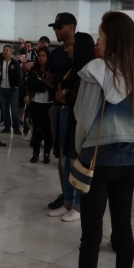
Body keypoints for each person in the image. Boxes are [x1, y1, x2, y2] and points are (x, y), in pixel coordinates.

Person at [55, 11, 134, 268]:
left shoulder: (94, 71)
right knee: (123, 228)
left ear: (110, 36)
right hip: (128, 160)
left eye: (100, 34)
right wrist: (131, 139)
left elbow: (83, 118)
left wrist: (80, 149)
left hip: (97, 159)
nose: (98, 39)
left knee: (92, 233)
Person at [48, 32, 96, 222]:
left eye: (72, 45)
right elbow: (58, 92)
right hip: (64, 114)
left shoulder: (88, 70)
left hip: (76, 118)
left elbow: (70, 96)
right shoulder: (73, 67)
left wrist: (64, 93)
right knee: (65, 159)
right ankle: (67, 202)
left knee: (76, 160)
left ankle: (77, 206)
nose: (67, 48)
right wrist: (63, 92)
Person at [46, 12, 76, 211]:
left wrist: (64, 88)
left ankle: (77, 197)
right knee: (61, 154)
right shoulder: (55, 53)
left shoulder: (82, 51)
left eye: (59, 27)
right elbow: (49, 77)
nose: (56, 30)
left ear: (71, 27)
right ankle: (66, 193)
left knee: (75, 154)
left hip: (76, 109)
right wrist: (56, 85)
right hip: (57, 108)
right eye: (54, 27)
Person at [26, 47, 53, 163]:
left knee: (48, 130)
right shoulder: (33, 70)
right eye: (40, 55)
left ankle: (47, 154)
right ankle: (35, 153)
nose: (41, 58)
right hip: (36, 102)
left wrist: (42, 83)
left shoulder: (51, 70)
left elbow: (52, 85)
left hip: (49, 103)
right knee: (36, 129)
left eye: (44, 55)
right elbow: (31, 85)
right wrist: (41, 84)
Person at [0, 45, 22, 134]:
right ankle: (7, 127)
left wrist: (16, 85)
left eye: (7, 50)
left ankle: (16, 127)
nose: (5, 52)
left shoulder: (15, 63)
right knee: (4, 109)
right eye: (4, 50)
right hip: (3, 89)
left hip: (13, 90)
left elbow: (19, 76)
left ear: (11, 52)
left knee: (14, 109)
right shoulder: (0, 62)